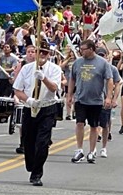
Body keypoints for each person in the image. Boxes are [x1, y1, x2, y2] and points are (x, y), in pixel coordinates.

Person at [13, 43, 62, 186]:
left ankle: (37, 173)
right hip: (30, 107)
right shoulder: (27, 69)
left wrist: (43, 78)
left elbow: (54, 88)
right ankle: (31, 165)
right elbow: (17, 89)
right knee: (28, 141)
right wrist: (28, 99)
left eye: (45, 53)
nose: (41, 56)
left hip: (47, 107)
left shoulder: (54, 69)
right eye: (39, 52)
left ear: (48, 55)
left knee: (42, 142)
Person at [67, 40, 114, 165]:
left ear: (92, 49)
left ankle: (92, 151)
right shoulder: (77, 62)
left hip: (96, 100)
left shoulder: (103, 63)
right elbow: (72, 79)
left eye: (83, 49)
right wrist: (69, 95)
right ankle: (79, 150)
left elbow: (109, 80)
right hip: (81, 99)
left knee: (94, 126)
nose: (81, 51)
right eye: (80, 49)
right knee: (79, 123)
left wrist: (109, 97)